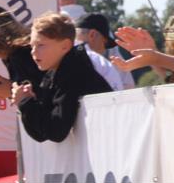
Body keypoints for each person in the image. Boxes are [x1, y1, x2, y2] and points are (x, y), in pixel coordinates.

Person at [11, 13, 113, 143]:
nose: (33, 52)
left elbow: (56, 131)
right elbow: (41, 134)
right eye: (32, 46)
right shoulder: (55, 72)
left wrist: (25, 102)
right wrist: (26, 101)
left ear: (65, 46)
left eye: (41, 45)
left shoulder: (74, 73)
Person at [75, 13, 134, 91]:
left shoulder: (61, 54)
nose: (104, 49)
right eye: (105, 43)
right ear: (92, 35)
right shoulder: (99, 63)